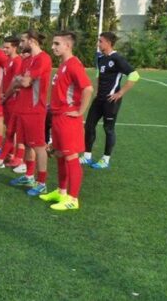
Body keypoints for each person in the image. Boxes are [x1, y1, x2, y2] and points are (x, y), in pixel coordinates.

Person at [39, 31, 94, 211]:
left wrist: (79, 112)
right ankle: (61, 192)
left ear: (67, 45)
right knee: (61, 155)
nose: (53, 47)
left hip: (67, 118)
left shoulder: (73, 65)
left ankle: (73, 198)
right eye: (53, 44)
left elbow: (88, 88)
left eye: (56, 44)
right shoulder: (64, 64)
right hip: (57, 116)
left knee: (71, 157)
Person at [82, 31, 140, 169]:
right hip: (99, 99)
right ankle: (87, 156)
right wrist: (97, 90)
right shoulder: (100, 58)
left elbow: (134, 75)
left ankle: (105, 159)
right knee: (89, 126)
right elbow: (98, 74)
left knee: (108, 129)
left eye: (100, 41)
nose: (98, 43)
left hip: (111, 101)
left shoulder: (117, 59)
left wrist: (120, 93)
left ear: (108, 43)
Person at [8, 30, 53, 197]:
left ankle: (41, 183)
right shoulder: (29, 60)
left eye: (23, 40)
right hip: (24, 108)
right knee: (27, 144)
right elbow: (20, 81)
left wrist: (21, 79)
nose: (20, 44)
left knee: (39, 146)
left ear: (32, 41)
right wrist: (21, 80)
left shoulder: (43, 58)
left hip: (35, 110)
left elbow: (25, 82)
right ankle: (29, 176)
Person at [0, 36, 24, 169]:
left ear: (15, 47)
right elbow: (5, 79)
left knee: (15, 130)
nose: (4, 49)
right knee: (9, 128)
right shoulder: (8, 61)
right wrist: (2, 94)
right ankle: (11, 154)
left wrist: (6, 95)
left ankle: (18, 157)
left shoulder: (18, 61)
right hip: (6, 98)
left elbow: (16, 83)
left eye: (7, 47)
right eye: (4, 47)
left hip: (13, 99)